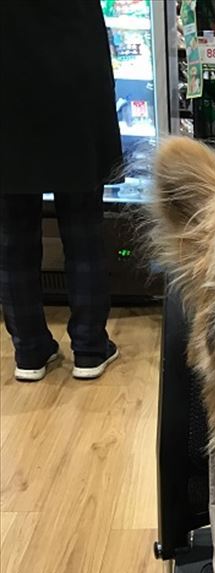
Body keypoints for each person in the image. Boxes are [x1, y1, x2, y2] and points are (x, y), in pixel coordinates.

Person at [0, 0, 122, 381]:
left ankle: (29, 351)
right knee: (83, 227)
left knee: (12, 235)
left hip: (8, 81)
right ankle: (89, 348)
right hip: (73, 74)